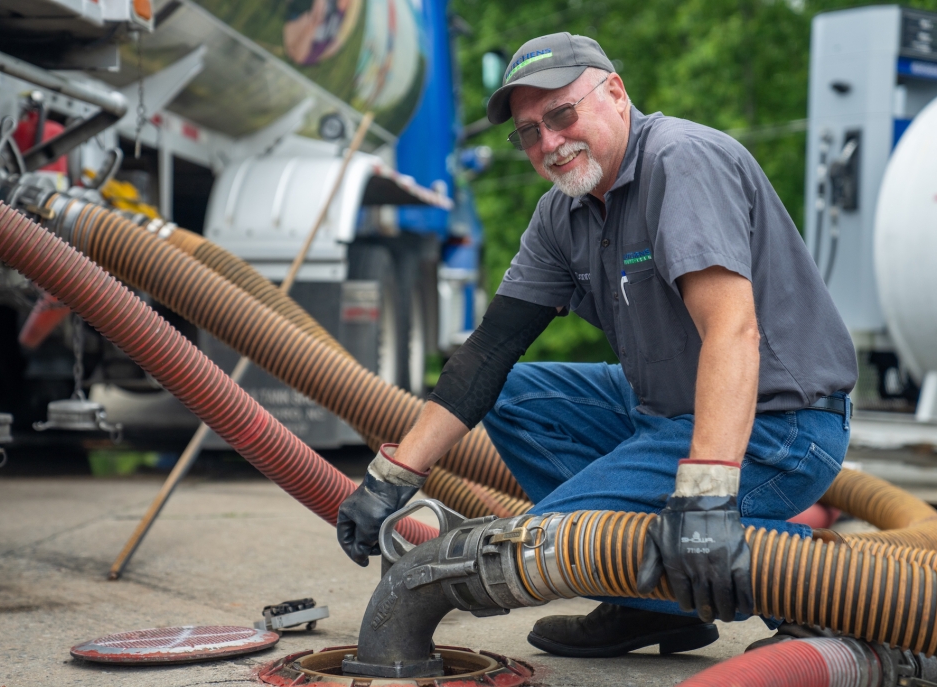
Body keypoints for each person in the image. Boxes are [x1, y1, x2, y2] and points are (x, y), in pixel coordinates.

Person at [336, 32, 857, 658]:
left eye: (561, 115)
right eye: (529, 132)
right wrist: (390, 480)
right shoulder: (564, 212)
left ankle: (830, 591)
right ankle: (651, 608)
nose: (549, 143)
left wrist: (706, 500)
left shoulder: (680, 161)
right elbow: (491, 350)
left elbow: (733, 330)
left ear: (614, 93)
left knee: (553, 540)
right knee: (515, 397)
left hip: (780, 427)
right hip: (665, 409)